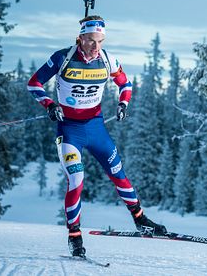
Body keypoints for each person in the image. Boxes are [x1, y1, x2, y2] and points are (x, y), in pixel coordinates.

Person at [27, 15, 167, 257]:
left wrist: (123, 104)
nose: (95, 47)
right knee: (77, 179)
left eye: (100, 41)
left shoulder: (107, 60)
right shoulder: (63, 57)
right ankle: (74, 237)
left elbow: (126, 84)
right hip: (70, 130)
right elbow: (34, 83)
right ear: (81, 38)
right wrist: (49, 104)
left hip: (96, 127)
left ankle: (140, 219)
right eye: (91, 41)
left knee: (118, 173)